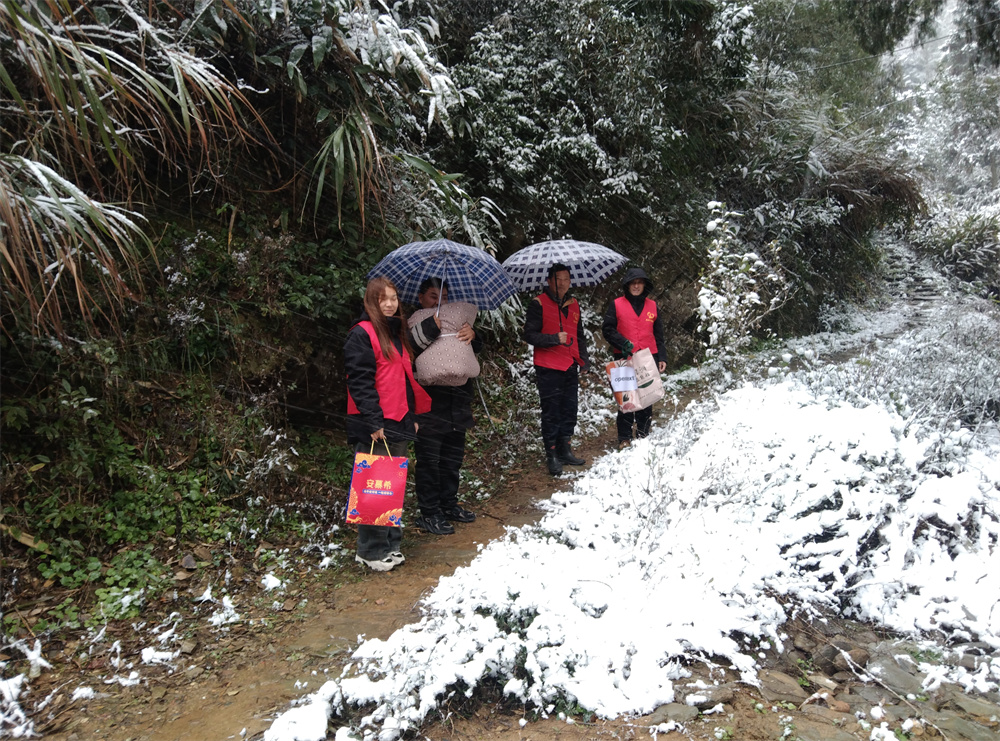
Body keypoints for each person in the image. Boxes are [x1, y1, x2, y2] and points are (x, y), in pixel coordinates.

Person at [344, 276, 430, 571]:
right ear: (372, 302)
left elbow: (404, 379)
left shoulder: (396, 334)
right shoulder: (362, 333)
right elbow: (360, 381)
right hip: (376, 424)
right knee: (373, 489)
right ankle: (369, 550)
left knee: (392, 487)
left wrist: (412, 417)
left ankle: (390, 545)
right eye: (384, 299)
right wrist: (373, 420)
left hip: (398, 420)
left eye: (393, 298)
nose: (391, 304)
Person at [407, 277, 480, 535]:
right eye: (432, 296)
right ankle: (429, 512)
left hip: (458, 399)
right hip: (429, 402)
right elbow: (408, 351)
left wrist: (473, 334)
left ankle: (449, 504)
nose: (439, 302)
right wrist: (430, 327)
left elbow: (473, 351)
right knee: (429, 460)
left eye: (445, 297)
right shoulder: (414, 322)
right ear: (420, 298)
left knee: (452, 459)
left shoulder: (458, 320)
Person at [522, 263, 590, 476]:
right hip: (548, 367)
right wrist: (553, 339)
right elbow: (529, 335)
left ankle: (565, 449)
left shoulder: (574, 303)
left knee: (569, 409)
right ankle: (551, 454)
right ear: (549, 281)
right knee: (552, 412)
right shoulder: (538, 304)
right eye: (558, 279)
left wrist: (584, 360)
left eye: (566, 279)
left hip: (570, 364)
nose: (562, 283)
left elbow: (579, 334)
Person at [601, 267, 668, 447]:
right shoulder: (616, 305)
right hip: (624, 357)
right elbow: (607, 330)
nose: (636, 286)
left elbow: (659, 334)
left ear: (645, 285)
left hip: (648, 357)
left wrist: (662, 357)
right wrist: (623, 343)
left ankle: (643, 434)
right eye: (633, 283)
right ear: (627, 285)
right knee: (626, 398)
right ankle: (624, 437)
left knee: (647, 396)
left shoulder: (653, 306)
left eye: (640, 283)